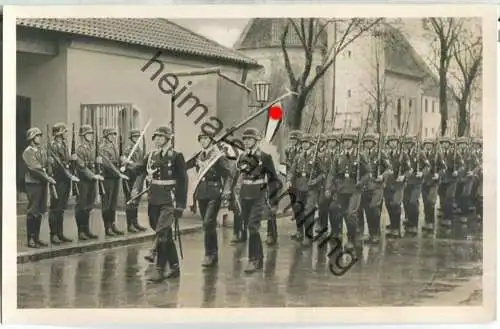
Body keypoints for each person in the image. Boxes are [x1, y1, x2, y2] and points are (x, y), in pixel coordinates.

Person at [131, 126, 187, 282]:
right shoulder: (151, 156)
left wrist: (181, 204)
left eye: (161, 137)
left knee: (162, 233)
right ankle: (175, 267)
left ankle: (159, 269)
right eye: (156, 137)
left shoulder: (176, 156)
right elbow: (140, 171)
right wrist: (128, 165)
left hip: (169, 199)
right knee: (164, 233)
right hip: (153, 199)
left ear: (169, 139)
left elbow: (183, 181)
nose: (157, 139)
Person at [186, 131, 234, 268]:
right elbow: (184, 166)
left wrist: (226, 191)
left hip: (214, 192)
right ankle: (213, 253)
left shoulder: (218, 157)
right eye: (201, 138)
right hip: (201, 193)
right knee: (208, 225)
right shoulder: (198, 156)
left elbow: (229, 175)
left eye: (206, 138)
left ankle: (209, 254)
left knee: (208, 222)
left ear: (211, 140)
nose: (203, 141)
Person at [236, 127, 280, 273]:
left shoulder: (264, 157)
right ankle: (259, 258)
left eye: (249, 139)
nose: (247, 141)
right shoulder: (241, 156)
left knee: (252, 227)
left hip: (258, 195)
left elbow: (273, 180)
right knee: (249, 226)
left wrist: (274, 201)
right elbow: (240, 176)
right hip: (245, 195)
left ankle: (253, 260)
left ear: (256, 140)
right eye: (245, 139)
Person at [325, 133, 371, 248]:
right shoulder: (338, 156)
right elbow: (331, 173)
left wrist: (361, 182)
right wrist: (328, 187)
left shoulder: (360, 156)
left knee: (351, 214)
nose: (346, 143)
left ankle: (351, 238)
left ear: (353, 142)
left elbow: (368, 173)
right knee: (334, 209)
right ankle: (337, 233)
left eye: (349, 141)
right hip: (341, 190)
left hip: (355, 190)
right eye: (345, 141)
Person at [287, 133, 324, 247]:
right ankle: (299, 232)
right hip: (300, 186)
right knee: (298, 208)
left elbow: (323, 173)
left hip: (311, 188)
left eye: (306, 143)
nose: (304, 145)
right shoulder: (298, 156)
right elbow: (292, 170)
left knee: (308, 211)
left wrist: (315, 181)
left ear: (311, 144)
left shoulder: (317, 156)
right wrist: (289, 180)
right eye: (303, 143)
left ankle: (308, 236)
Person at [22, 127, 56, 248]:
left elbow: (45, 164)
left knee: (40, 211)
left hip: (42, 183)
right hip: (33, 184)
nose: (39, 138)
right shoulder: (28, 152)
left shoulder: (42, 150)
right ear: (31, 138)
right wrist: (47, 177)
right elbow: (35, 168)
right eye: (37, 136)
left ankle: (36, 237)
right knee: (33, 211)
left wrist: (50, 162)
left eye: (40, 136)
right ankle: (31, 238)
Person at [48, 122, 80, 244]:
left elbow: (66, 162)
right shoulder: (53, 146)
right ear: (59, 133)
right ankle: (54, 234)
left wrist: (72, 160)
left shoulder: (64, 145)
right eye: (65, 131)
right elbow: (57, 165)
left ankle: (60, 233)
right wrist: (69, 174)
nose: (66, 133)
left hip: (66, 180)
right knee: (55, 208)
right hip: (58, 179)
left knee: (61, 208)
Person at [358, 133, 391, 244]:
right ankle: (371, 233)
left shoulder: (380, 154)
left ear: (374, 143)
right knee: (367, 210)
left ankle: (376, 233)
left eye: (370, 142)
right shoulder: (361, 155)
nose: (368, 143)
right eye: (366, 141)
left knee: (374, 209)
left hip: (377, 186)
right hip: (365, 186)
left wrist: (382, 176)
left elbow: (389, 169)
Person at [99, 127, 129, 236]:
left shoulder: (114, 146)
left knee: (113, 203)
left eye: (113, 135)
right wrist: (118, 173)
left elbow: (116, 161)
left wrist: (122, 160)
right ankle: (107, 227)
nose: (113, 136)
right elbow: (108, 164)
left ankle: (112, 224)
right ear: (106, 136)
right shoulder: (102, 148)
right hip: (107, 178)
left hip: (115, 178)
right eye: (111, 135)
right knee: (106, 203)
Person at [74, 125, 103, 240]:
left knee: (89, 206)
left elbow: (94, 164)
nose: (91, 136)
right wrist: (93, 175)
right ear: (83, 136)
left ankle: (86, 229)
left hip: (92, 179)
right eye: (88, 134)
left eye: (91, 134)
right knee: (81, 205)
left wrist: (98, 164)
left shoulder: (92, 148)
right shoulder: (79, 149)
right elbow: (81, 166)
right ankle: (80, 231)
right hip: (83, 180)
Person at [401, 136, 430, 236]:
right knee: (405, 201)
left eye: (410, 143)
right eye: (406, 143)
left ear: (413, 144)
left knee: (413, 202)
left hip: (416, 182)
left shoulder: (419, 153)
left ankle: (414, 224)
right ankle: (409, 219)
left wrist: (422, 173)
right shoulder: (403, 153)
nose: (408, 145)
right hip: (406, 182)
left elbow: (427, 166)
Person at [121, 129, 147, 233]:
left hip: (137, 177)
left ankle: (135, 222)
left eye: (138, 137)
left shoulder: (138, 148)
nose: (137, 139)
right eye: (135, 137)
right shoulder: (128, 149)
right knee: (130, 200)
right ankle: (130, 224)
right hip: (130, 177)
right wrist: (135, 165)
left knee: (136, 200)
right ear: (131, 138)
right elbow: (126, 163)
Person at [284, 130, 303, 240]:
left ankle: (304, 231)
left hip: (301, 183)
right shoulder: (289, 150)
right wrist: (288, 180)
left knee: (301, 207)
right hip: (292, 183)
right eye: (291, 139)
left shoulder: (303, 150)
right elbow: (288, 167)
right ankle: (299, 230)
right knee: (295, 207)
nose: (292, 141)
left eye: (294, 139)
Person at [421, 138, 440, 234]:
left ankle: (431, 222)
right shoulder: (421, 155)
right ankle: (427, 220)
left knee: (431, 202)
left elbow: (443, 167)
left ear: (432, 146)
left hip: (433, 182)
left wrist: (438, 174)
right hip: (424, 182)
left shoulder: (437, 155)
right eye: (426, 144)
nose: (428, 146)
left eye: (430, 144)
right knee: (425, 202)